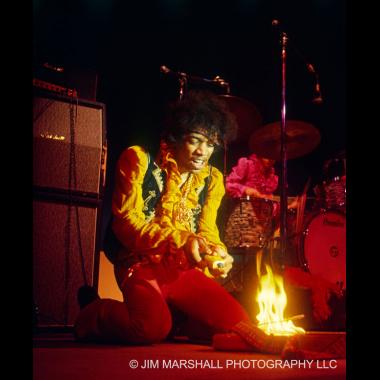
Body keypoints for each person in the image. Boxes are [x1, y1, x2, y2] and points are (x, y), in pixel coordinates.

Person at [73, 90, 288, 353]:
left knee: (238, 323)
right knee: (150, 327)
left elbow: (207, 230)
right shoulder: (139, 159)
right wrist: (182, 239)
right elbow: (126, 224)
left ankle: (181, 320)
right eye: (194, 141)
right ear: (175, 138)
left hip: (180, 270)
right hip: (139, 262)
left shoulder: (212, 179)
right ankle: (93, 311)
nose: (203, 151)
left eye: (210, 144)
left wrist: (216, 253)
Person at [224, 152, 343, 325]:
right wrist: (247, 190)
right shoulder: (247, 164)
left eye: (274, 156)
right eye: (267, 153)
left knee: (259, 267)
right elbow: (229, 184)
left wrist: (289, 206)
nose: (271, 158)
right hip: (245, 218)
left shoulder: (273, 175)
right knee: (245, 266)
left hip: (264, 224)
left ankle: (258, 305)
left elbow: (272, 205)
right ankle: (242, 309)